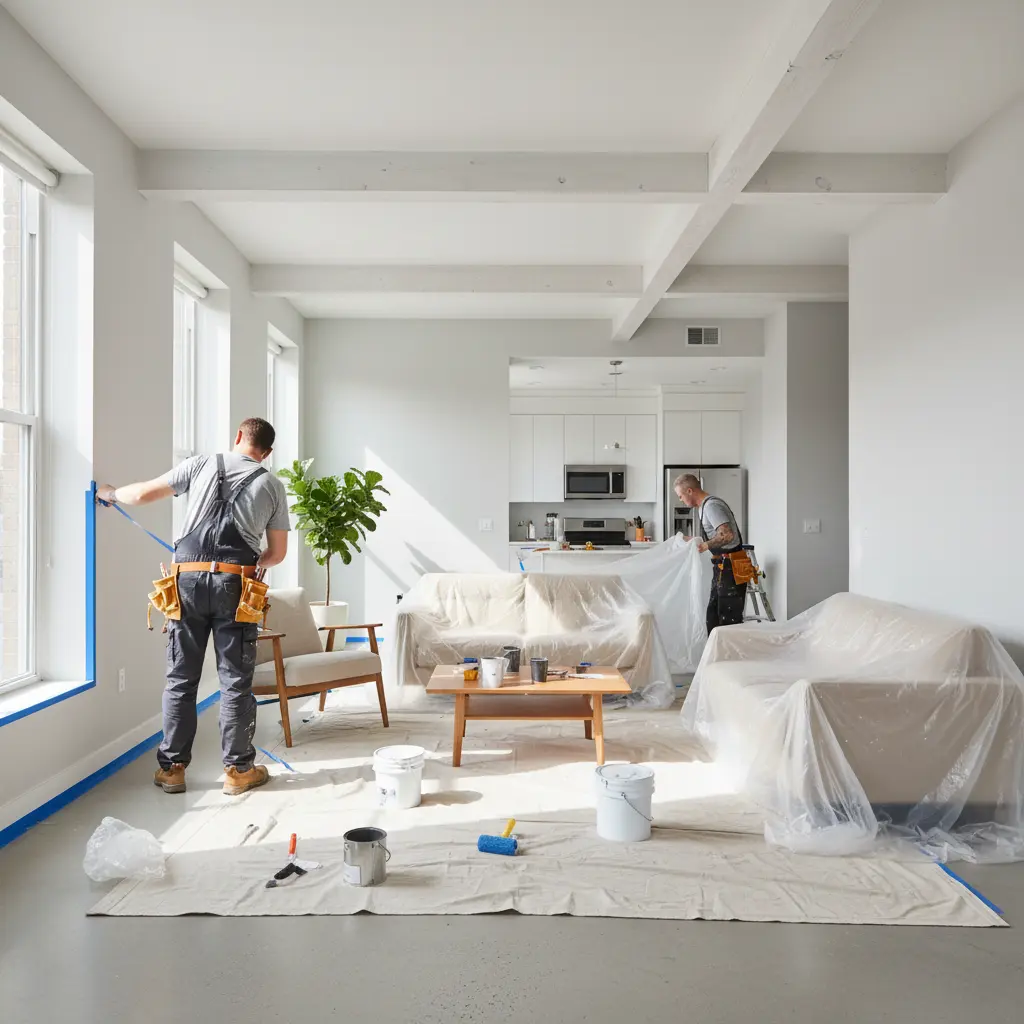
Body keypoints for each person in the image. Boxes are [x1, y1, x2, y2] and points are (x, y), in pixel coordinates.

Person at [98, 417, 291, 796]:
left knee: (181, 678)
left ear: (238, 437)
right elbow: (277, 553)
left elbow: (142, 495)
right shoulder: (271, 484)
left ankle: (172, 770)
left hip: (185, 582)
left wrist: (110, 493)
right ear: (267, 453)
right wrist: (251, 566)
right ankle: (237, 771)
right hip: (235, 585)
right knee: (235, 680)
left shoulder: (202, 463)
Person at [673, 473, 747, 636]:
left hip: (732, 566)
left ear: (690, 491)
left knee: (728, 620)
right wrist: (691, 540)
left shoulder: (712, 506)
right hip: (727, 565)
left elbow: (727, 535)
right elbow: (717, 536)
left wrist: (705, 545)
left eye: (681, 496)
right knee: (714, 616)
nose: (681, 500)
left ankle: (730, 660)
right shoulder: (703, 508)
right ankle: (718, 658)